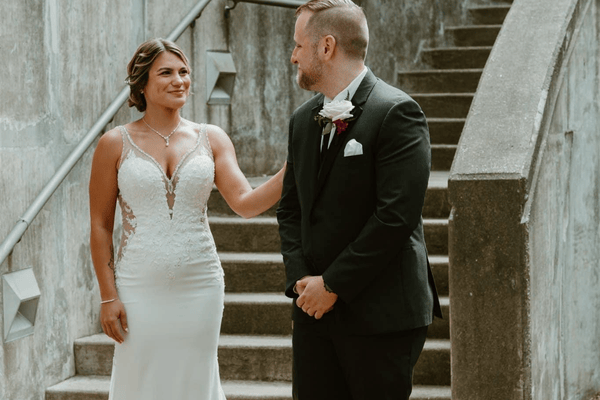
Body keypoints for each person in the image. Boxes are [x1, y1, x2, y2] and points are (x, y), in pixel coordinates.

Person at [89, 38, 284, 400]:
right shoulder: (113, 143)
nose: (179, 80)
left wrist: (293, 167)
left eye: (184, 72)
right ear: (142, 83)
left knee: (195, 381)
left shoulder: (211, 138)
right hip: (137, 286)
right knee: (139, 379)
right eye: (166, 72)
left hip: (200, 283)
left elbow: (245, 203)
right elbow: (100, 227)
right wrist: (107, 296)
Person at [277, 1, 443, 399]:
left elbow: (395, 217)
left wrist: (332, 284)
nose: (293, 55)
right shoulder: (302, 121)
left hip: (381, 313)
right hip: (313, 311)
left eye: (299, 44)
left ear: (327, 46)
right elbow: (290, 209)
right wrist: (303, 282)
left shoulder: (397, 112)